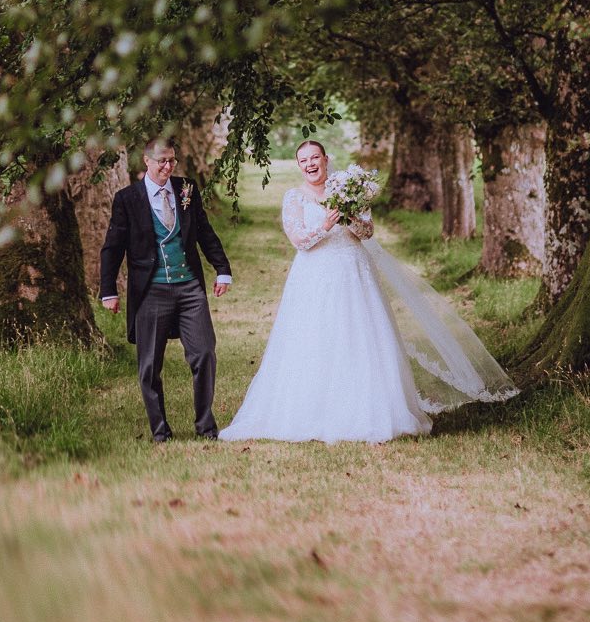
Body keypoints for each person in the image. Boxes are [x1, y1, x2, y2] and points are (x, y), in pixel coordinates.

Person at [220, 139, 516, 443]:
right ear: (299, 165)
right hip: (314, 277)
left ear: (325, 159)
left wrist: (347, 217)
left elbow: (367, 231)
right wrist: (325, 225)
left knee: (360, 336)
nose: (310, 164)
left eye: (315, 158)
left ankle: (371, 410)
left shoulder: (348, 189)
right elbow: (298, 240)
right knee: (314, 339)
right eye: (304, 160)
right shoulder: (294, 198)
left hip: (353, 272)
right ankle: (311, 409)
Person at [99, 139, 233, 442]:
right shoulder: (127, 199)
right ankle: (160, 430)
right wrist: (108, 290)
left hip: (189, 287)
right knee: (149, 365)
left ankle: (205, 425)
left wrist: (222, 269)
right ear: (146, 161)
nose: (167, 166)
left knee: (204, 353)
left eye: (172, 160)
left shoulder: (186, 188)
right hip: (151, 290)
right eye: (161, 161)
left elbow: (204, 232)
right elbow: (112, 247)